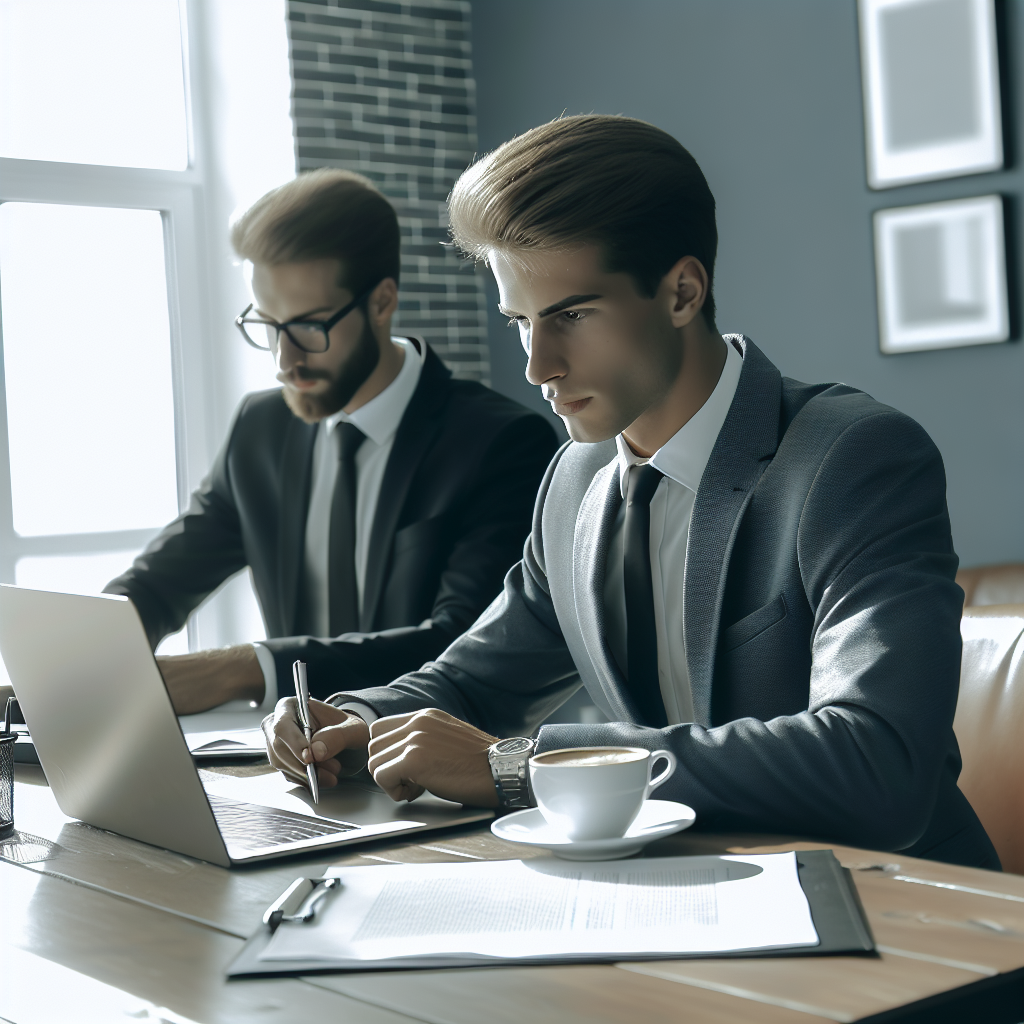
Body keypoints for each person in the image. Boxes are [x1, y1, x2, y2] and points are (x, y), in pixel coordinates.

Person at [264, 117, 998, 868]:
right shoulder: (574, 479)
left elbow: (878, 762)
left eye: (572, 316)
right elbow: (476, 679)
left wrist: (522, 768)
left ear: (681, 291)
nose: (537, 366)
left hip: (897, 908)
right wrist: (356, 717)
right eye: (520, 320)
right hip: (682, 900)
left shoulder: (852, 457)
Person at [105, 169, 558, 711]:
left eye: (309, 327)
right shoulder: (261, 428)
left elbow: (463, 647)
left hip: (442, 776)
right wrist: (81, 654)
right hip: (294, 767)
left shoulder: (502, 442)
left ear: (382, 302)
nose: (284, 360)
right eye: (268, 326)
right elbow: (160, 586)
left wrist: (245, 669)